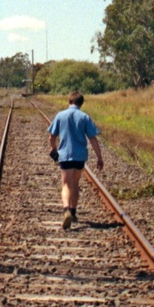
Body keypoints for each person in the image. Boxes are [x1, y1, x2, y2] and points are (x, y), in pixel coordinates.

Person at [48, 91, 104, 230]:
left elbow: (52, 137)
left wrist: (53, 149)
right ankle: (73, 212)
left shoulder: (60, 115)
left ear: (69, 101)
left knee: (66, 184)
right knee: (75, 183)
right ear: (81, 103)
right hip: (79, 156)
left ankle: (66, 209)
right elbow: (93, 139)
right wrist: (99, 157)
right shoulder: (84, 117)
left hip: (65, 155)